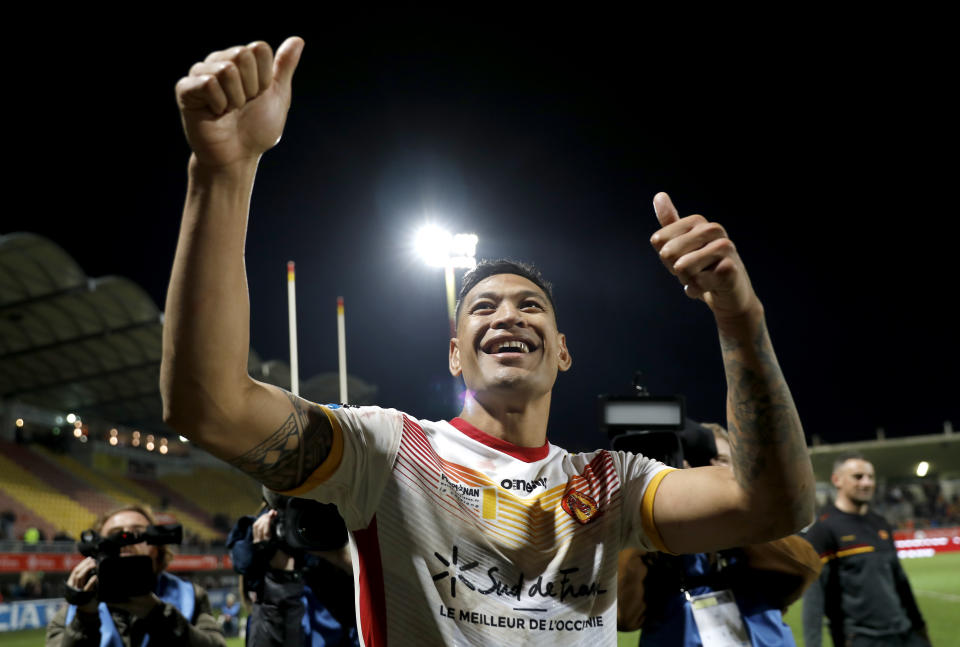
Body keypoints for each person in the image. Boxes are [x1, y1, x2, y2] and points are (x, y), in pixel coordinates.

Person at [160, 36, 815, 645]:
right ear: (455, 352)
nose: (509, 315)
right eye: (483, 307)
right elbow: (209, 406)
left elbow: (776, 505)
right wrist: (222, 172)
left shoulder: (611, 484)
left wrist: (740, 317)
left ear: (562, 350)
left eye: (531, 306)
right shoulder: (387, 451)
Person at [618, 422, 822, 646]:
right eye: (697, 464)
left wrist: (730, 516)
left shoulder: (759, 527)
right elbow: (624, 617)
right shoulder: (657, 540)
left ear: (741, 469)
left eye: (720, 462)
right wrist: (649, 510)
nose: (708, 473)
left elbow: (802, 571)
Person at [45, 504, 225, 647]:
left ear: (156, 547)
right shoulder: (74, 609)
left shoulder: (191, 596)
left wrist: (158, 614)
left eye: (137, 534)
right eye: (115, 535)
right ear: (96, 548)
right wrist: (85, 618)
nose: (125, 540)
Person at [801, 454, 931, 647]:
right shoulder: (823, 530)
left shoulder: (881, 523)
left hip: (904, 633)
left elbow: (900, 581)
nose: (867, 483)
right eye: (858, 477)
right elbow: (814, 598)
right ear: (837, 480)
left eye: (871, 477)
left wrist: (920, 627)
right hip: (861, 639)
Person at [227, 499, 358, 646]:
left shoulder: (338, 581)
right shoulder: (268, 588)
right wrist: (279, 577)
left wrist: (349, 562)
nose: (301, 532)